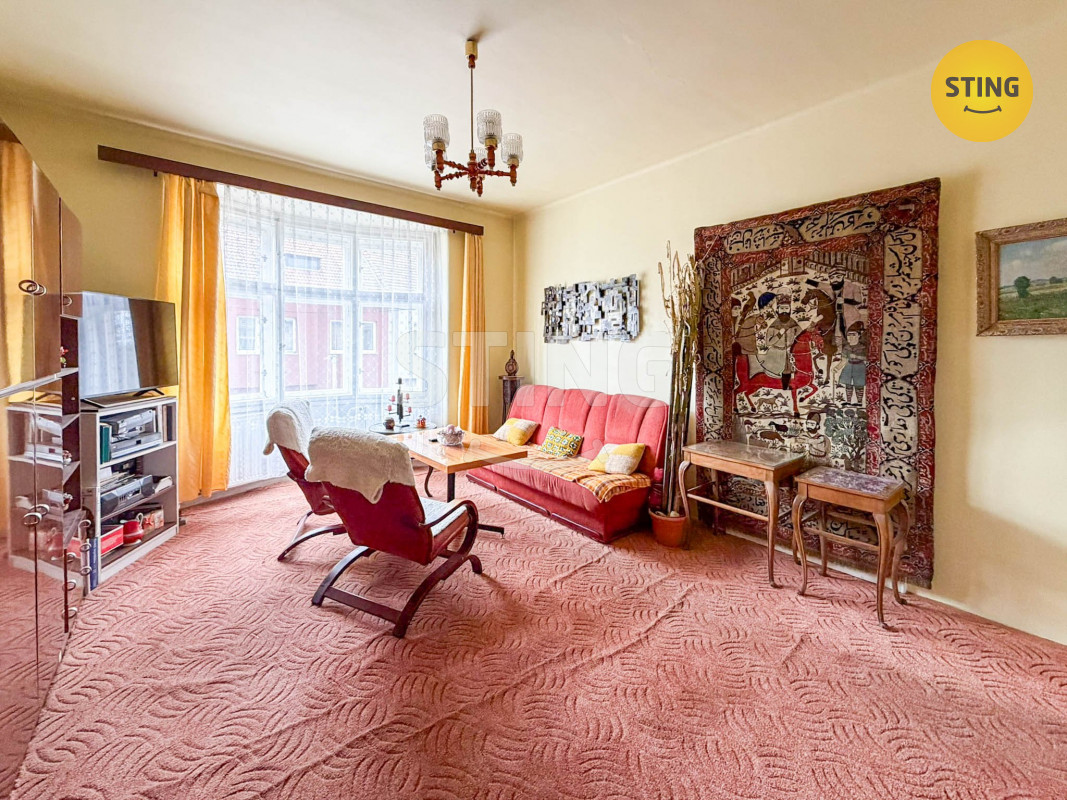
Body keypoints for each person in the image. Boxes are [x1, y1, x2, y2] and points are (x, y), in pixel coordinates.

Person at [761, 294, 800, 389]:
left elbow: (801, 334)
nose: (784, 311)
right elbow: (768, 343)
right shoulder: (773, 325)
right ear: (777, 310)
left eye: (786, 308)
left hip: (789, 352)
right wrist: (779, 334)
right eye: (782, 308)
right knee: (776, 374)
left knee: (789, 371)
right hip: (776, 353)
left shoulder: (793, 323)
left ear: (790, 310)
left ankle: (786, 388)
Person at [837, 322, 866, 405]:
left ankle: (859, 402)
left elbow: (867, 358)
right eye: (849, 335)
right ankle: (848, 401)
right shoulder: (846, 348)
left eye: (853, 335)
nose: (850, 337)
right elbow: (843, 360)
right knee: (848, 384)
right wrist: (837, 368)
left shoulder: (863, 347)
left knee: (859, 385)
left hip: (859, 367)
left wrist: (857, 356)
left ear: (858, 335)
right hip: (848, 366)